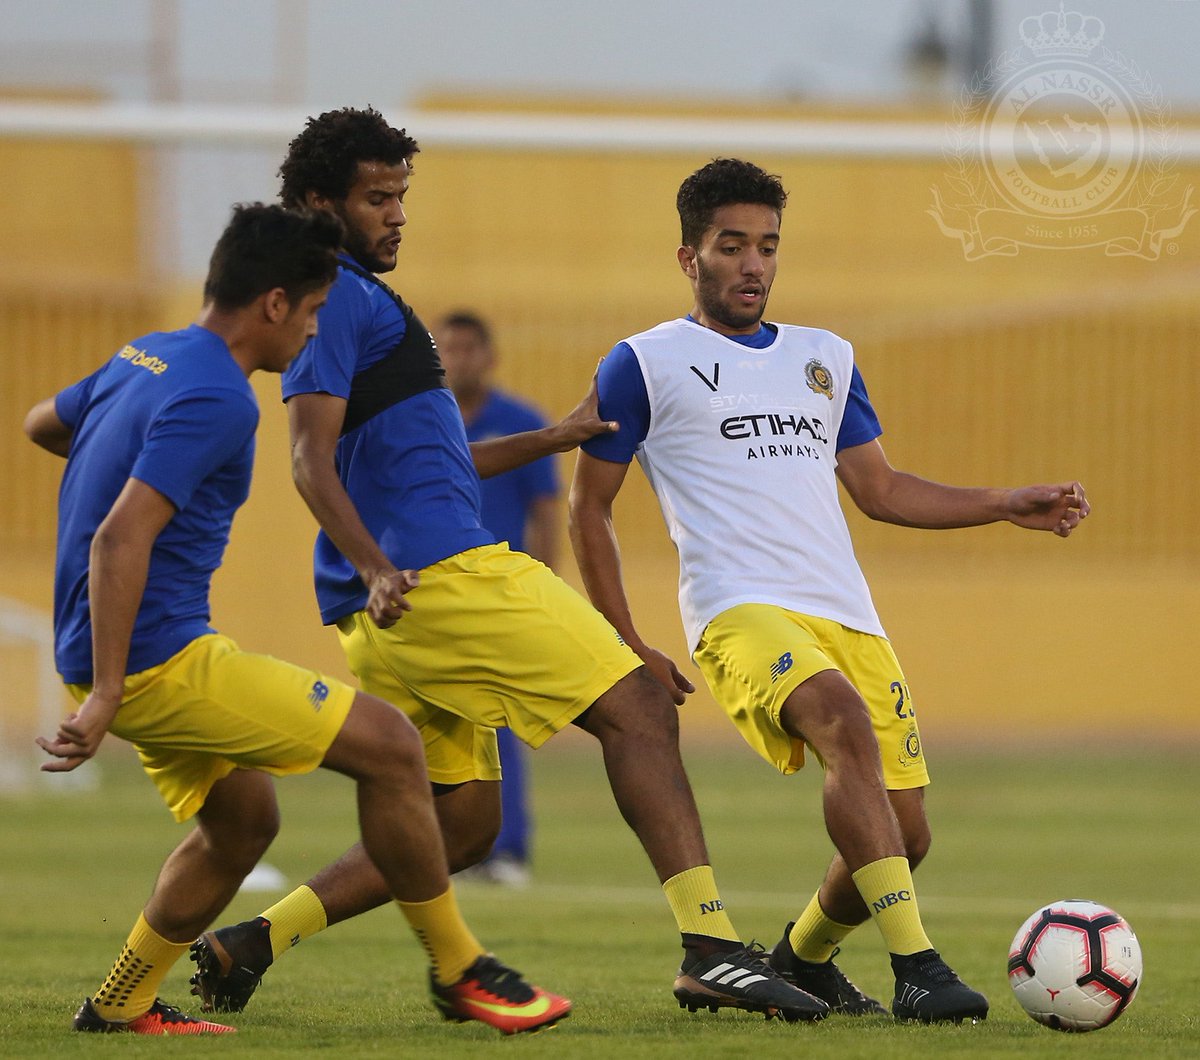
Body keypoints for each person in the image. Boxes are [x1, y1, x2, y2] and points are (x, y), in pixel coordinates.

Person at [189, 107, 829, 1025]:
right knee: (641, 704)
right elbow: (306, 458)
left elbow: (438, 458)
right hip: (437, 579)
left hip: (392, 610)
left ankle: (253, 940)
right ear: (322, 203)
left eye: (402, 196)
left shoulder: (364, 302)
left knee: (463, 824)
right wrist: (375, 563)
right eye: (379, 198)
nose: (397, 215)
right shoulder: (332, 294)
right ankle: (713, 949)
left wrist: (554, 436)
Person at [25, 203, 570, 1037]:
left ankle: (120, 1002)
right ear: (275, 304)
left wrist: (128, 459)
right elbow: (118, 537)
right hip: (153, 660)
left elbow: (45, 424)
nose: (316, 332)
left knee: (245, 823)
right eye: (314, 312)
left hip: (114, 649)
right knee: (391, 747)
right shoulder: (220, 399)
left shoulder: (149, 356)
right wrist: (105, 693)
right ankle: (462, 971)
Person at [568, 158, 1091, 1024]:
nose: (753, 265)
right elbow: (591, 509)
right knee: (840, 718)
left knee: (905, 834)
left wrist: (1004, 503)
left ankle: (801, 957)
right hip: (737, 609)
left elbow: (882, 491)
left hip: (847, 612)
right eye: (731, 246)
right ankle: (917, 968)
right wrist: (628, 639)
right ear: (687, 256)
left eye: (767, 247)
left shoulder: (825, 359)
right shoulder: (642, 364)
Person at [436, 310, 555, 887]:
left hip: (502, 595)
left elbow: (546, 511)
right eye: (448, 349)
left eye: (468, 348)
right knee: (441, 722)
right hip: (438, 594)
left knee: (502, 722)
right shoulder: (424, 422)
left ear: (489, 356)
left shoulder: (520, 421)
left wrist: (545, 587)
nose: (458, 359)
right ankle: (456, 846)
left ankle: (507, 850)